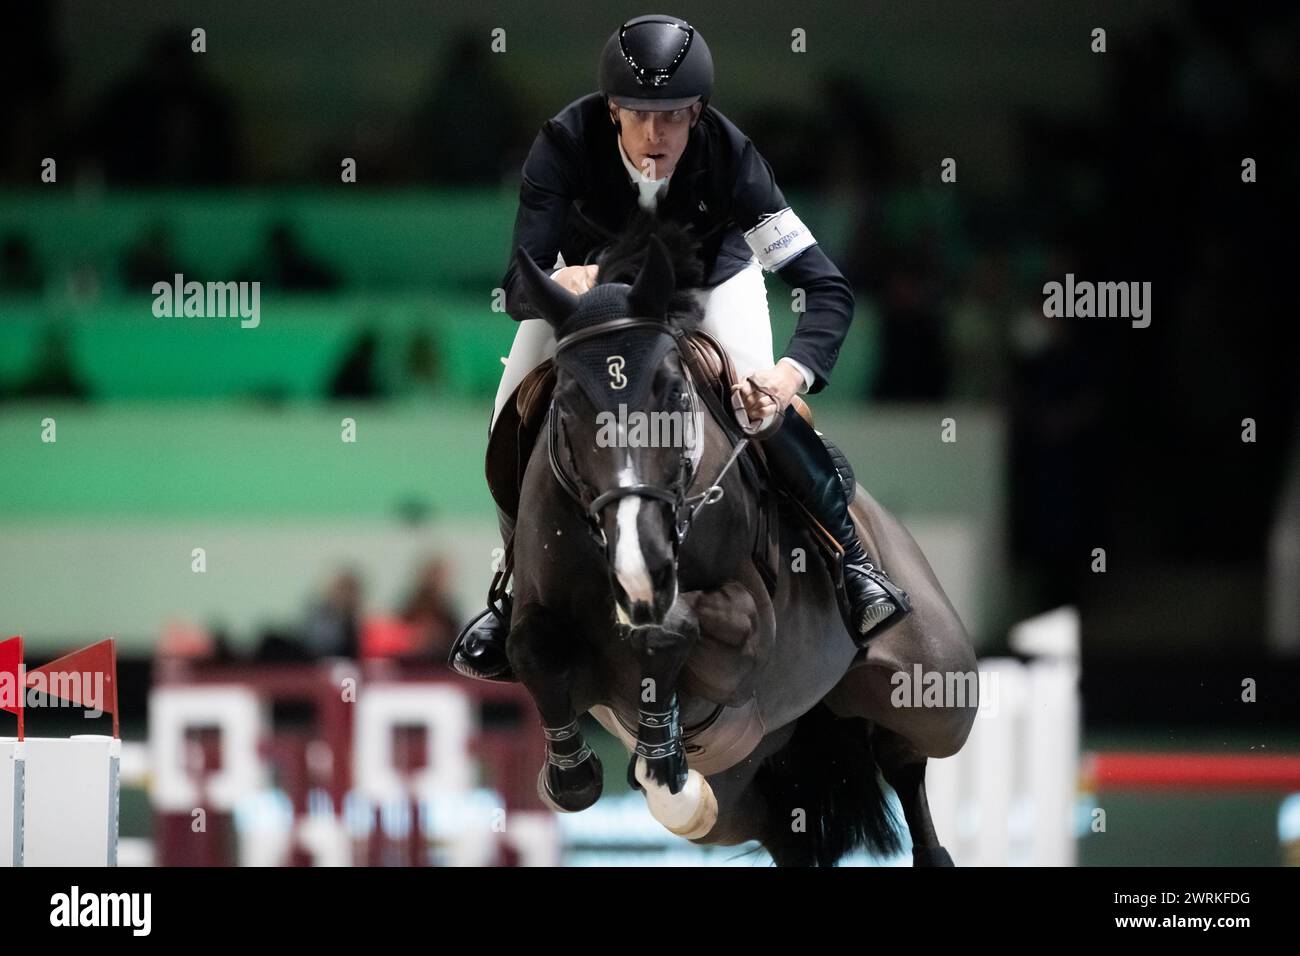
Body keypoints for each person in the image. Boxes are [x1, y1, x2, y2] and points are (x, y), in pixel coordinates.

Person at [451, 14, 909, 682]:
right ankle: (511, 585)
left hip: (707, 291)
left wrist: (791, 372)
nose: (654, 135)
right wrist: (555, 279)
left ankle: (851, 564)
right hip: (591, 303)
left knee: (763, 411)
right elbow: (515, 284)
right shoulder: (562, 144)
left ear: (698, 112)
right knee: (512, 406)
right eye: (637, 115)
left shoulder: (733, 158)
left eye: (672, 117)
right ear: (611, 109)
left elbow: (825, 285)